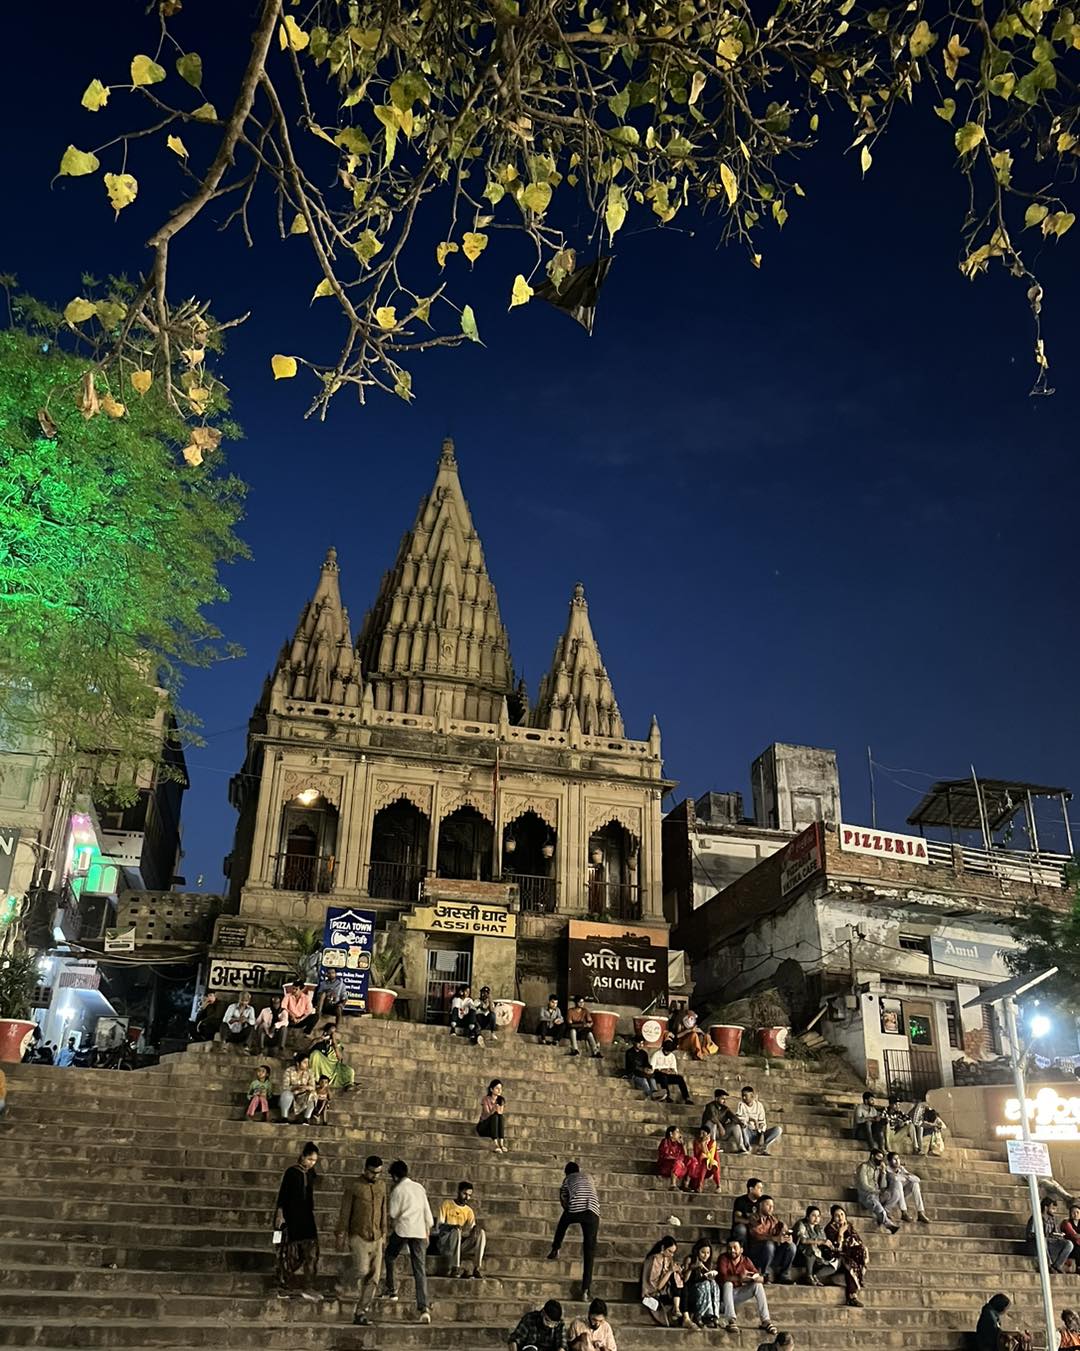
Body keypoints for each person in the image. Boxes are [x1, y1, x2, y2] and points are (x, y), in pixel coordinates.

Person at [335, 1154, 388, 1326]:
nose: (375, 1176)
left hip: (377, 1235)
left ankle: (361, 1311)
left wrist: (384, 1232)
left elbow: (383, 1209)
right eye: (373, 1172)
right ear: (365, 1169)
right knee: (361, 1269)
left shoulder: (382, 1186)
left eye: (379, 1173)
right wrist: (341, 1234)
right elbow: (345, 1211)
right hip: (358, 1234)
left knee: (374, 1277)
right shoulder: (354, 1186)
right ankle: (341, 1282)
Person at [384, 1159, 434, 1323]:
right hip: (420, 1230)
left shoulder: (398, 1190)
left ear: (395, 1176)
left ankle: (392, 1290)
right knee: (419, 1269)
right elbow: (428, 1213)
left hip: (403, 1229)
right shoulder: (419, 1187)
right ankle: (424, 1307)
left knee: (390, 1256)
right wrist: (427, 1230)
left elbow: (392, 1213)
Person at [274, 1140, 321, 1298]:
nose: (311, 1163)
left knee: (311, 1253)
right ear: (302, 1157)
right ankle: (284, 1284)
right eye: (309, 1159)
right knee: (290, 1254)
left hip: (307, 1216)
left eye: (314, 1161)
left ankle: (309, 1285)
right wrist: (280, 1215)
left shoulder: (310, 1173)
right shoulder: (291, 1173)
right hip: (292, 1217)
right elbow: (283, 1195)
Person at [548, 1161, 600, 1299]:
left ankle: (555, 1248)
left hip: (576, 1208)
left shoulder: (568, 1179)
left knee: (562, 1223)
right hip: (593, 1212)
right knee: (589, 1252)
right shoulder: (588, 1177)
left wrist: (568, 1211)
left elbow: (563, 1198)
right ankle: (585, 1290)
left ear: (567, 1172)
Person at [716, 1239, 777, 1336]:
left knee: (758, 1285)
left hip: (737, 1295)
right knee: (728, 1284)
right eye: (729, 1248)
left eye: (735, 1248)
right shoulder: (723, 1258)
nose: (732, 1250)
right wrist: (740, 1277)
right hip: (723, 1298)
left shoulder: (746, 1260)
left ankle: (766, 1320)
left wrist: (756, 1278)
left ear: (741, 1250)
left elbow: (758, 1276)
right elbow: (723, 1278)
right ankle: (731, 1320)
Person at [436, 1179, 487, 1278]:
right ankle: (456, 1267)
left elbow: (472, 1229)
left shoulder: (469, 1211)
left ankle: (477, 1267)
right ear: (458, 1192)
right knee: (456, 1230)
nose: (467, 1197)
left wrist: (475, 1230)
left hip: (460, 1245)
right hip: (446, 1242)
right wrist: (453, 1227)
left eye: (469, 1195)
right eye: (464, 1194)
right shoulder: (446, 1204)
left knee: (481, 1232)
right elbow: (439, 1225)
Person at [824, 1204, 869, 1308]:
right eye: (837, 1215)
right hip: (837, 1255)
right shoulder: (829, 1228)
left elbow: (857, 1241)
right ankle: (852, 1296)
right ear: (833, 1217)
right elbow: (836, 1247)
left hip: (850, 1254)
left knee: (862, 1251)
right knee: (850, 1264)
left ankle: (859, 1278)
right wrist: (840, 1233)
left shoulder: (849, 1225)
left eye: (842, 1214)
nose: (840, 1218)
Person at [641, 1235, 691, 1328]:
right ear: (663, 1247)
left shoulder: (667, 1259)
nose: (671, 1255)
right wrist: (670, 1271)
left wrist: (678, 1271)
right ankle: (678, 1310)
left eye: (673, 1252)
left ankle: (685, 1316)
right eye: (669, 1251)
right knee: (674, 1277)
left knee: (684, 1288)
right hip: (654, 1293)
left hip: (667, 1290)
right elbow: (657, 1286)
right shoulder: (654, 1259)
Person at [747, 1195, 796, 1284]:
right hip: (757, 1253)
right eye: (768, 1205)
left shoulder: (773, 1219)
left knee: (791, 1246)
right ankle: (765, 1274)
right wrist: (775, 1238)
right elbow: (757, 1235)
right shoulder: (753, 1218)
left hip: (771, 1253)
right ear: (761, 1205)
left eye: (772, 1206)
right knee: (769, 1244)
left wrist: (786, 1236)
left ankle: (784, 1275)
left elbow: (781, 1230)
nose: (771, 1208)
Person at [855, 1148, 902, 1232]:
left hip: (877, 1195)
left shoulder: (878, 1169)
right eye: (878, 1157)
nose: (880, 1160)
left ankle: (884, 1213)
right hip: (866, 1196)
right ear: (872, 1156)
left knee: (895, 1194)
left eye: (882, 1158)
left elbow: (883, 1186)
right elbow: (863, 1184)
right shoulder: (864, 1167)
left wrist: (883, 1172)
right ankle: (888, 1224)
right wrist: (875, 1191)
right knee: (876, 1205)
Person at [791, 1205, 839, 1286]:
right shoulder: (801, 1224)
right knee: (810, 1247)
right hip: (801, 1255)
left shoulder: (819, 1228)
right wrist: (820, 1241)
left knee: (836, 1259)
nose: (816, 1218)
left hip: (817, 1256)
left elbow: (824, 1242)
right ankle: (809, 1276)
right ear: (807, 1216)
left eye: (818, 1216)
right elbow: (803, 1240)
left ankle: (815, 1276)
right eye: (813, 1215)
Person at [1026, 1196, 1074, 1272]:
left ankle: (1057, 1265)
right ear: (1045, 1207)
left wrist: (1058, 1235)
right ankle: (1047, 1265)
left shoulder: (1052, 1219)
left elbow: (1054, 1233)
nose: (1054, 1211)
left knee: (1069, 1244)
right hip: (1036, 1244)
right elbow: (1030, 1234)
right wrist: (1043, 1237)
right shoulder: (1036, 1218)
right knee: (1043, 1240)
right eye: (1053, 1209)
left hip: (1049, 1243)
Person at [682, 1238, 723, 1329]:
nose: (705, 1255)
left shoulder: (708, 1263)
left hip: (704, 1289)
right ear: (697, 1251)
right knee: (706, 1285)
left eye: (708, 1253)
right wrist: (692, 1268)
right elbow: (685, 1280)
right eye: (703, 1252)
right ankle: (699, 1315)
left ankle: (713, 1315)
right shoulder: (690, 1259)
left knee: (714, 1284)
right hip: (691, 1289)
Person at [886, 1151, 930, 1223]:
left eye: (898, 1159)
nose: (897, 1161)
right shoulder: (887, 1170)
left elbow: (917, 1179)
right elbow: (895, 1179)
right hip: (891, 1195)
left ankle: (920, 1212)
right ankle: (904, 1212)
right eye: (894, 1159)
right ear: (889, 1161)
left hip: (901, 1194)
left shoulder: (901, 1169)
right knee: (898, 1183)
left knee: (915, 1184)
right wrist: (905, 1177)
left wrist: (906, 1176)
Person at [307, 1023, 355, 1090]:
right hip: (323, 1065)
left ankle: (349, 1084)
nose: (332, 1034)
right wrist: (317, 1040)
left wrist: (334, 1043)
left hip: (334, 1066)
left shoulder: (337, 1043)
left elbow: (340, 1058)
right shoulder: (320, 1041)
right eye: (331, 1032)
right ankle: (316, 1079)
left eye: (334, 1032)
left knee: (350, 1071)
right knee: (315, 1054)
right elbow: (308, 1050)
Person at [737, 1085, 781, 1155]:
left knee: (778, 1129)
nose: (743, 1098)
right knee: (742, 1125)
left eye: (745, 1095)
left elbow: (762, 1122)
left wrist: (762, 1133)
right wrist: (751, 1119)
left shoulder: (759, 1105)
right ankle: (747, 1147)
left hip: (758, 1133)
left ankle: (762, 1148)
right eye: (742, 1096)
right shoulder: (741, 1105)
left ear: (752, 1096)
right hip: (748, 1133)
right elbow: (739, 1118)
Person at [650, 1037, 693, 1104]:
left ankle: (686, 1097)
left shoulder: (672, 1056)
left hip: (668, 1074)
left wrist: (670, 1071)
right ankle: (667, 1096)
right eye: (666, 1051)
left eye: (669, 1051)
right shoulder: (656, 1054)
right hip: (658, 1074)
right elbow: (652, 1068)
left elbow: (674, 1070)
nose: (667, 1053)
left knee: (680, 1078)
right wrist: (661, 1070)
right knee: (663, 1077)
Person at [279, 1052, 315, 1123]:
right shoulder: (289, 1071)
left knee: (313, 1094)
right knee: (286, 1094)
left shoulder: (309, 1072)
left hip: (303, 1096)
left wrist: (305, 1087)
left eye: (307, 1062)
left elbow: (312, 1087)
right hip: (292, 1096)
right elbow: (285, 1087)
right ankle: (284, 1117)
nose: (307, 1065)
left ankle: (306, 1118)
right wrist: (295, 1087)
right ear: (298, 1063)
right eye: (304, 1062)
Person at [686, 1128, 723, 1193]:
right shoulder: (696, 1142)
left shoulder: (713, 1142)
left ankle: (718, 1186)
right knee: (704, 1161)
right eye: (701, 1133)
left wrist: (704, 1146)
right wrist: (702, 1145)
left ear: (708, 1135)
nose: (701, 1135)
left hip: (710, 1165)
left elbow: (711, 1157)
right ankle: (700, 1185)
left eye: (703, 1134)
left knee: (713, 1164)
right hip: (698, 1165)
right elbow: (697, 1155)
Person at [731, 1177, 766, 1245]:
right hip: (744, 1229)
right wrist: (750, 1222)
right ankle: (742, 1252)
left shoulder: (762, 1202)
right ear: (751, 1189)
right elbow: (737, 1218)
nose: (761, 1190)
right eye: (759, 1188)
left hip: (756, 1230)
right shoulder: (741, 1200)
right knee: (741, 1229)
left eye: (762, 1188)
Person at [477, 1078, 507, 1153]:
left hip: (494, 1128)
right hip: (483, 1127)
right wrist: (494, 1109)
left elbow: (500, 1113)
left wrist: (498, 1110)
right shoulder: (485, 1099)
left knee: (500, 1116)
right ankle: (495, 1145)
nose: (499, 1090)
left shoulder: (501, 1100)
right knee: (494, 1116)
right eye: (497, 1088)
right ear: (491, 1089)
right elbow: (487, 1114)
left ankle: (502, 1144)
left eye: (500, 1088)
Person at [657, 1125, 690, 1190]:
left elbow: (685, 1156)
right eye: (677, 1132)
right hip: (667, 1166)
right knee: (677, 1162)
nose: (679, 1134)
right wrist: (678, 1161)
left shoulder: (679, 1144)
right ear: (671, 1134)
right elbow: (665, 1156)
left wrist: (683, 1145)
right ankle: (673, 1185)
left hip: (679, 1167)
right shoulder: (665, 1141)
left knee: (692, 1160)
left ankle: (685, 1184)